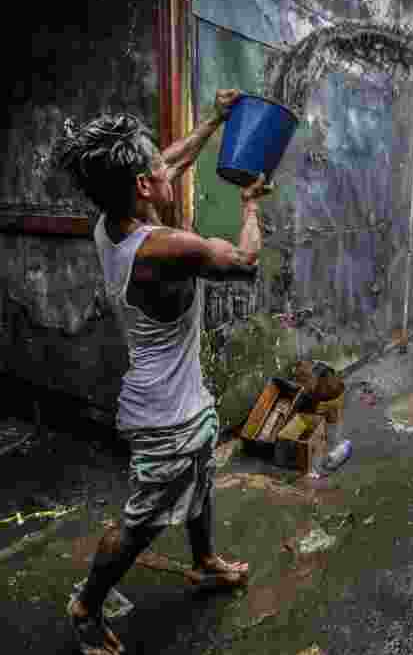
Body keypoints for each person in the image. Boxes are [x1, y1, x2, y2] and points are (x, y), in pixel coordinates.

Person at [51, 89, 269, 655]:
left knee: (200, 481)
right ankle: (85, 607)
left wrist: (217, 120)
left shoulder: (111, 222)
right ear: (144, 186)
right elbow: (244, 264)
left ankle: (205, 562)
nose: (169, 165)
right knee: (140, 525)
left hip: (179, 397)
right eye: (157, 167)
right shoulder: (164, 248)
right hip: (163, 414)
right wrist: (250, 205)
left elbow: (173, 159)